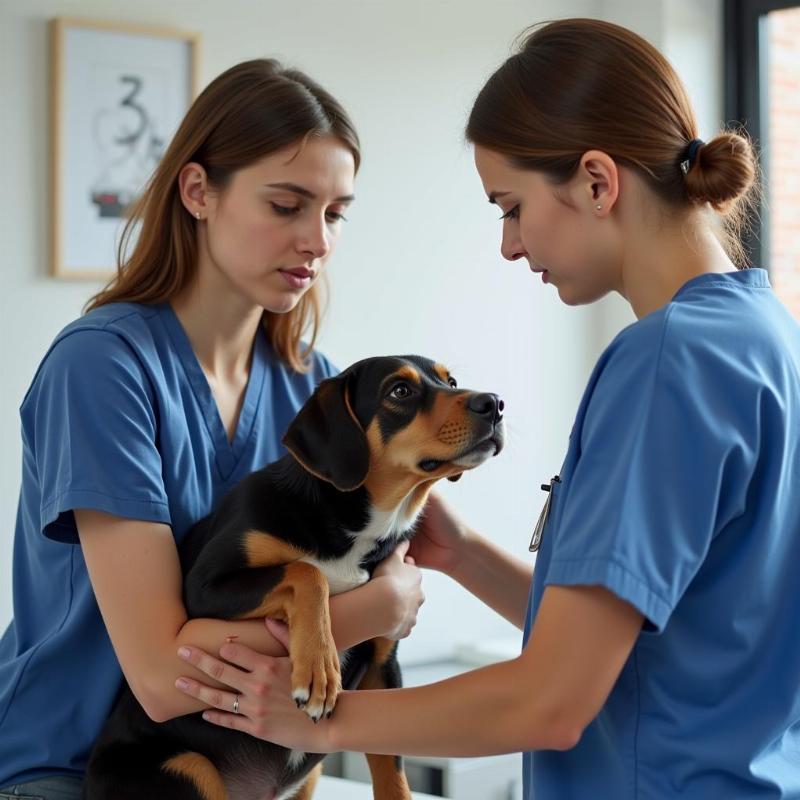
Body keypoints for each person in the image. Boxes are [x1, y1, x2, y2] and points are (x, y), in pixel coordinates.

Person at [174, 18, 800, 799]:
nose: (508, 244)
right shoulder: (767, 334)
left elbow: (550, 702)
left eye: (510, 206)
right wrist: (462, 553)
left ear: (598, 183)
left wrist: (315, 722)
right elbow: (659, 634)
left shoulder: (665, 362)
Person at [0, 59, 425, 799]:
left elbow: (393, 547)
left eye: (335, 213)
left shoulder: (306, 381)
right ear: (198, 192)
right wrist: (377, 611)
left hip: (248, 766)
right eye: (287, 205)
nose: (317, 242)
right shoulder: (102, 368)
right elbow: (165, 677)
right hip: (70, 773)